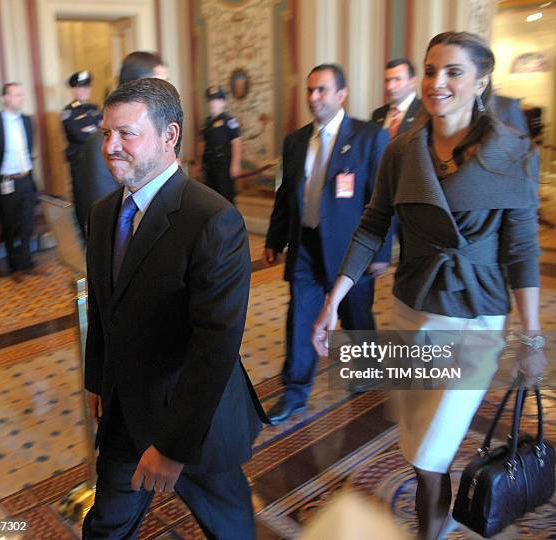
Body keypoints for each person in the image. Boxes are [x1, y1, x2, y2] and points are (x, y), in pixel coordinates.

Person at [312, 32, 545, 540]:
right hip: (412, 309)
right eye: (432, 70)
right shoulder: (401, 151)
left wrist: (532, 336)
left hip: (475, 316)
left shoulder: (513, 153)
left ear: (481, 80)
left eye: (454, 72)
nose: (438, 83)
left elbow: (523, 250)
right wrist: (334, 301)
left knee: (431, 448)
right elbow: (373, 226)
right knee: (421, 457)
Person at [83, 78, 266, 539]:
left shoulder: (213, 219)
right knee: (105, 526)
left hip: (196, 422)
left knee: (229, 526)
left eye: (127, 133)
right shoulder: (104, 212)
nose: (111, 146)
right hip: (126, 410)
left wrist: (172, 445)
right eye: (106, 133)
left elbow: (215, 346)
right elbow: (108, 310)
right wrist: (96, 379)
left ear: (170, 136)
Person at [263, 63, 391, 425]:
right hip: (305, 242)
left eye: (321, 90)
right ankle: (295, 390)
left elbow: (384, 200)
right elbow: (285, 195)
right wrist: (275, 239)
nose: (313, 98)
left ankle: (367, 373)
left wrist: (380, 252)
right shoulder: (295, 140)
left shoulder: (369, 137)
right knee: (300, 315)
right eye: (309, 90)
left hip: (353, 249)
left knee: (356, 315)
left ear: (341, 94)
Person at [75, 51, 168, 238]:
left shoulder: (156, 134)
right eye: (162, 84)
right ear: (140, 86)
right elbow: (103, 222)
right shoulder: (102, 145)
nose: (169, 92)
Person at [0, 83, 44, 281]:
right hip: (5, 181)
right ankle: (14, 266)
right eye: (15, 95)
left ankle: (27, 262)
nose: (19, 99)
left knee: (26, 223)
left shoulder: (26, 121)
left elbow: (28, 149)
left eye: (20, 95)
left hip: (25, 179)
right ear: (4, 99)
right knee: (9, 225)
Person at [61, 70, 102, 236]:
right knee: (82, 202)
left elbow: (103, 131)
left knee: (98, 198)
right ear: (74, 90)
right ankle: (85, 238)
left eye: (87, 88)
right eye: (80, 88)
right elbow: (79, 135)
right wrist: (95, 129)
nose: (84, 91)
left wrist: (92, 129)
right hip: (79, 164)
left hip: (97, 163)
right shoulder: (69, 112)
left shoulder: (96, 109)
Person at [198, 86, 242, 204]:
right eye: (211, 100)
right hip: (209, 165)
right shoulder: (206, 123)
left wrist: (235, 164)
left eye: (217, 100)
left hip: (224, 166)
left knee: (226, 197)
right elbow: (202, 143)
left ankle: (230, 222)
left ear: (224, 102)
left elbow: (236, 143)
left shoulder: (230, 121)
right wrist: (199, 163)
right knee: (211, 197)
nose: (213, 103)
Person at [371, 58, 421, 139]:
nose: (390, 86)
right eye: (387, 80)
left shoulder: (424, 112)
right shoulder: (377, 114)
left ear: (412, 82)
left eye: (397, 79)